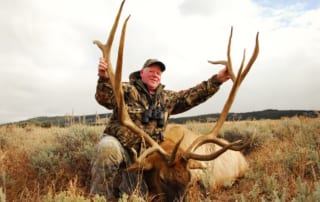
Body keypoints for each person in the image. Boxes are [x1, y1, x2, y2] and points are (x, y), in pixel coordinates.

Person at [90, 58, 231, 200]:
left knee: (140, 194)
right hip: (122, 148)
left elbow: (191, 97)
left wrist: (218, 80)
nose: (155, 75)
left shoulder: (166, 98)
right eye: (151, 71)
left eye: (158, 73)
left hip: (147, 156)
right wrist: (104, 78)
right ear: (141, 73)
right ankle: (99, 197)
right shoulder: (127, 90)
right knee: (107, 147)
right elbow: (105, 98)